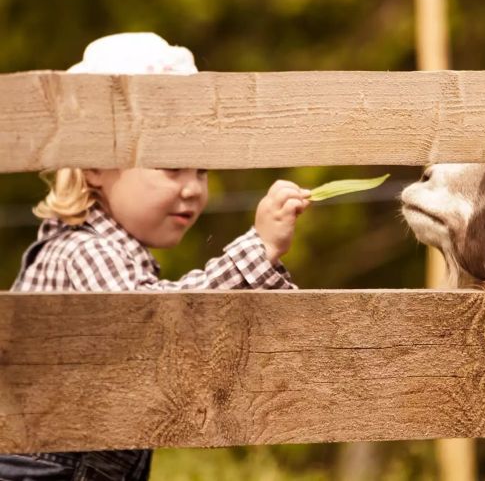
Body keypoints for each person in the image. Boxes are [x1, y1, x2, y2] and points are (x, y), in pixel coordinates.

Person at [0, 32, 311, 481]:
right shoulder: (85, 250)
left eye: (201, 169)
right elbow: (159, 322)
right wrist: (256, 250)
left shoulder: (112, 251)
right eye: (170, 167)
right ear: (94, 165)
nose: (192, 188)